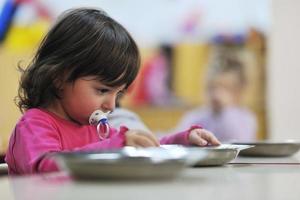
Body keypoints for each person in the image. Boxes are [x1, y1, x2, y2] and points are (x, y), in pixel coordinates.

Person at [5, 8, 220, 175]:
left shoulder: (93, 128)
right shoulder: (34, 126)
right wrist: (115, 146)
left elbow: (145, 146)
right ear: (59, 78)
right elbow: (45, 167)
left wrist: (182, 140)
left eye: (117, 94)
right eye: (102, 90)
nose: (111, 105)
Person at [174, 55, 257, 142]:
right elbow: (177, 137)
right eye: (212, 88)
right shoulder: (196, 116)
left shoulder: (245, 118)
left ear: (238, 92)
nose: (216, 94)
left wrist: (225, 110)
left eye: (225, 88)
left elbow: (238, 139)